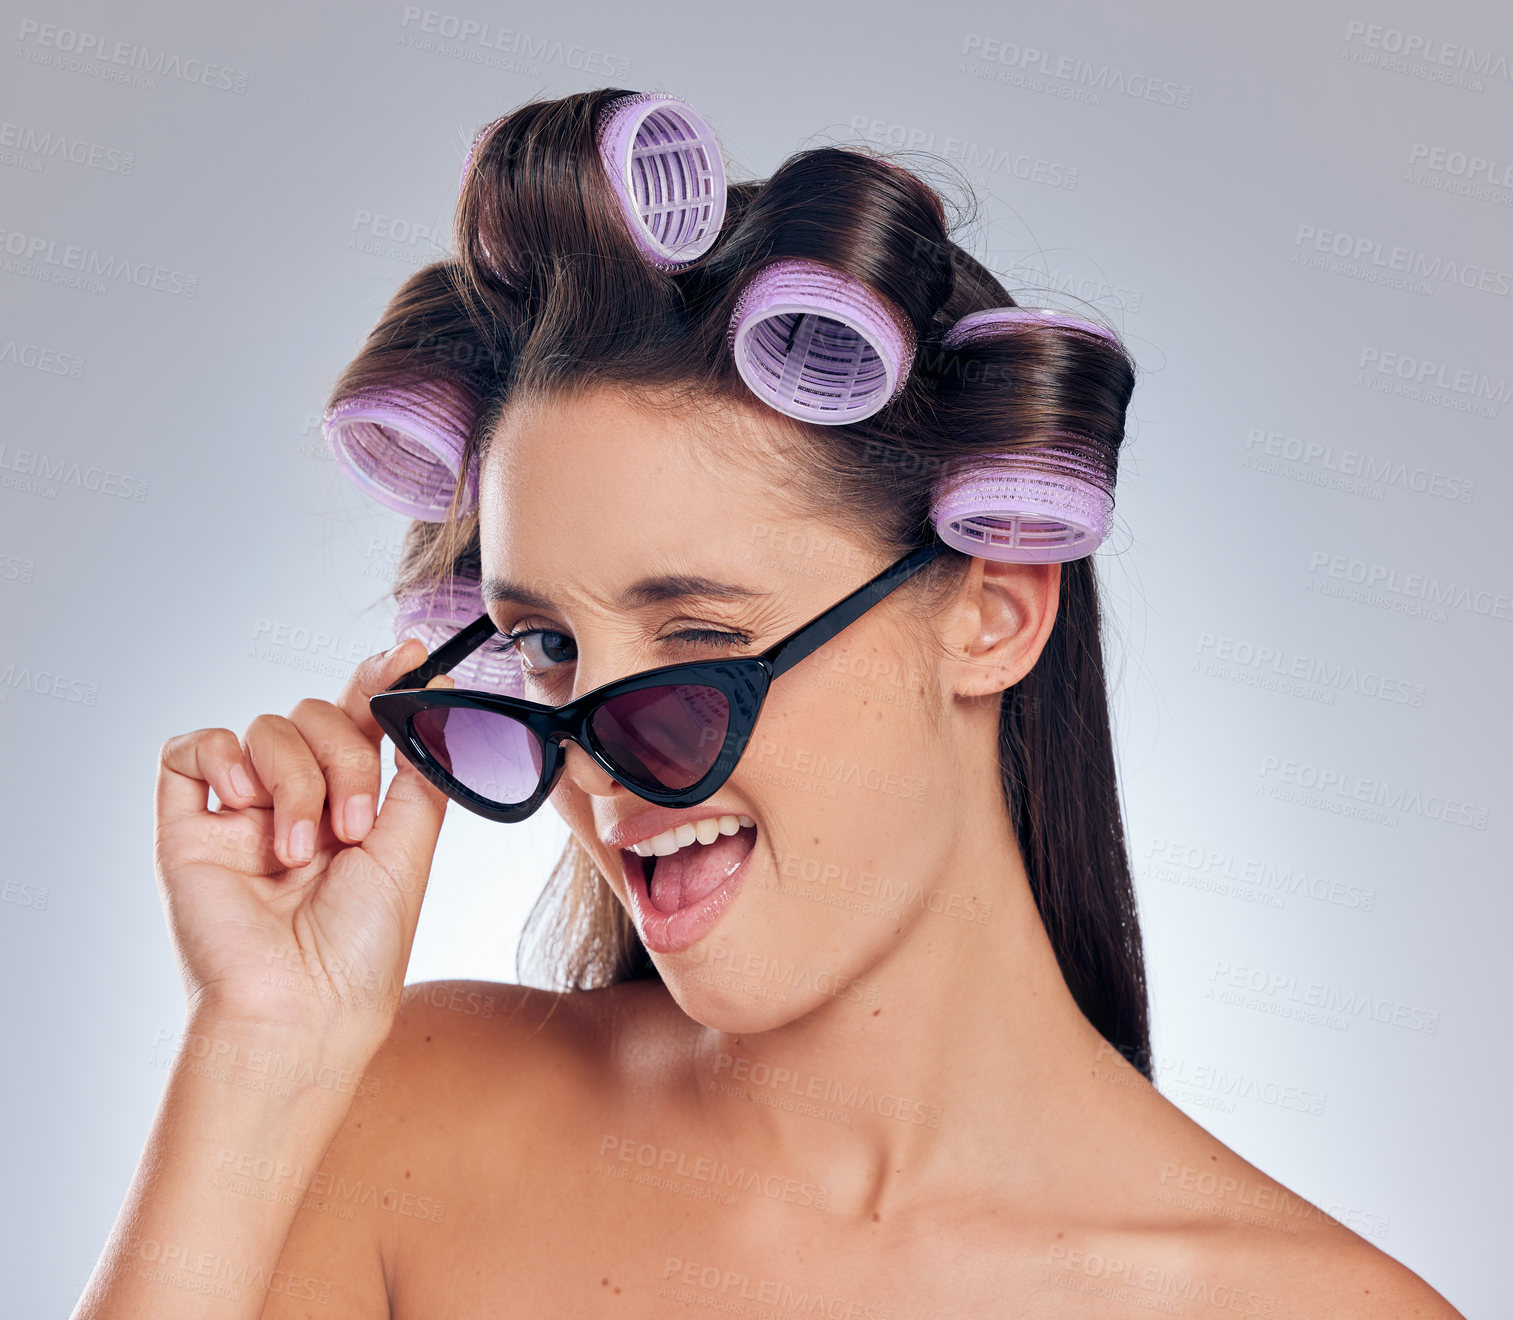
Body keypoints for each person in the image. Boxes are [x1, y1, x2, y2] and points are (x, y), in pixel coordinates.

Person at [72, 88, 1463, 1318]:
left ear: (991, 612)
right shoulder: (399, 1120)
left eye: (696, 631)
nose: (606, 766)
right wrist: (263, 1051)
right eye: (546, 643)